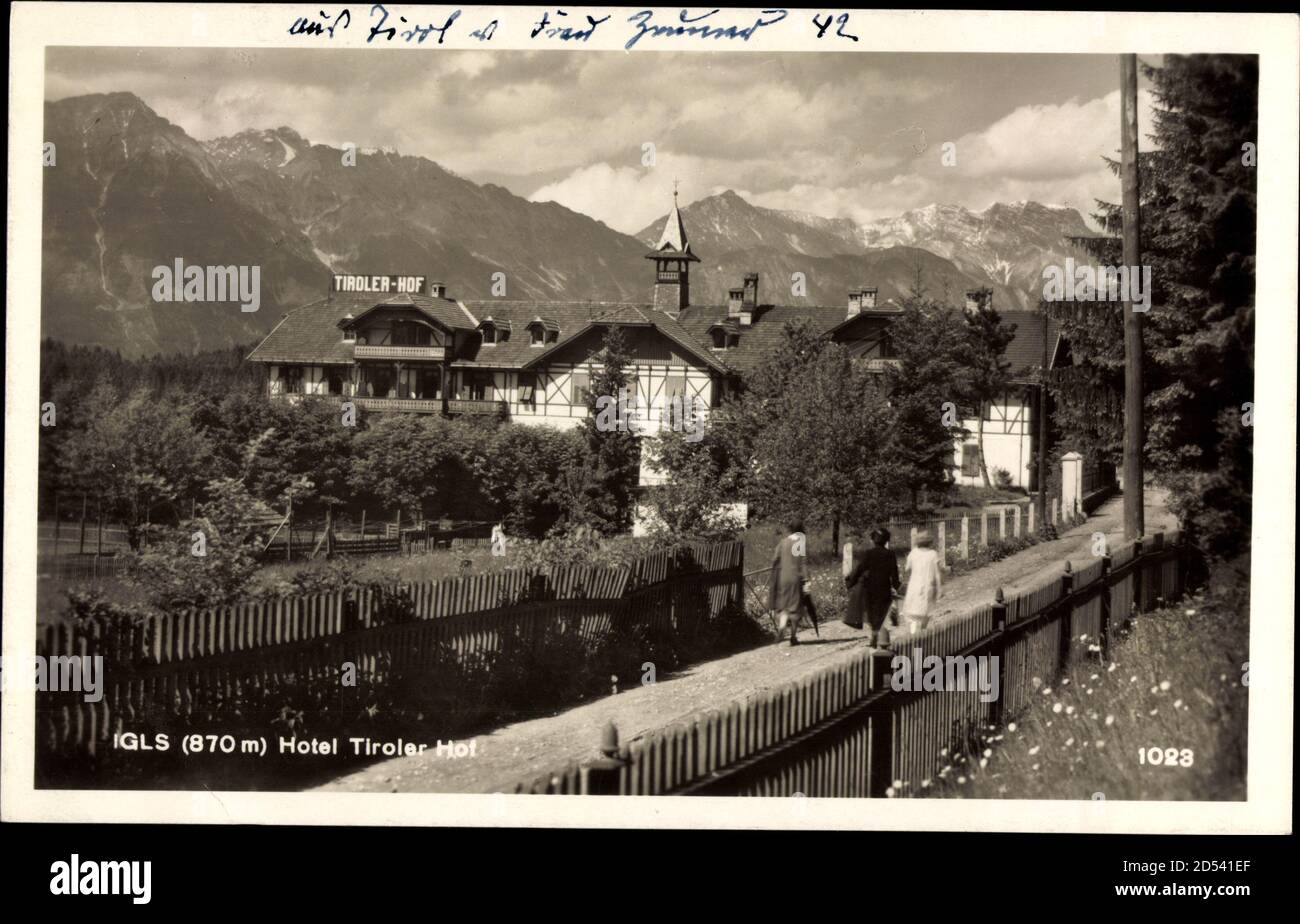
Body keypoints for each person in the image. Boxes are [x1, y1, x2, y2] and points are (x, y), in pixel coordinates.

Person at [844, 528, 901, 647]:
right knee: (881, 611)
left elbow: (859, 569)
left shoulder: (869, 554)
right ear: (886, 541)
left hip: (870, 587)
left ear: (873, 540)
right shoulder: (890, 554)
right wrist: (896, 585)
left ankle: (874, 634)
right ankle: (878, 632)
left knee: (871, 612)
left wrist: (850, 582)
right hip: (884, 587)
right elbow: (894, 572)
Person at [768, 518, 810, 646]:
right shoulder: (799, 543)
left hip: (782, 578)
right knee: (795, 608)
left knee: (784, 606)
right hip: (795, 578)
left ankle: (781, 628)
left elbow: (774, 560)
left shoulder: (783, 542)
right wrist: (807, 580)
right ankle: (793, 636)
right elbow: (803, 562)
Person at [901, 529, 943, 634]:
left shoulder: (913, 553)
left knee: (913, 616)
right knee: (925, 615)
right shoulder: (933, 554)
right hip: (928, 588)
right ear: (930, 542)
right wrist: (939, 589)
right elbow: (937, 574)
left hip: (914, 587)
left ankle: (914, 640)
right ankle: (921, 639)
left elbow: (907, 569)